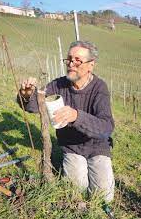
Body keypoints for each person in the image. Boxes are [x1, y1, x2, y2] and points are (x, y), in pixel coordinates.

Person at [17, 40, 115, 202]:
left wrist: (77, 116)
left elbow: (106, 127)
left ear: (91, 65)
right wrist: (26, 95)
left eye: (78, 60)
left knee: (104, 197)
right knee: (76, 190)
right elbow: (35, 107)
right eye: (69, 59)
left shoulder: (99, 88)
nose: (71, 64)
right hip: (72, 147)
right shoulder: (58, 85)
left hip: (97, 146)